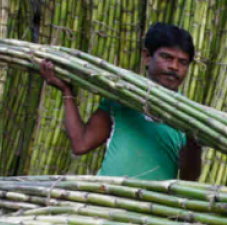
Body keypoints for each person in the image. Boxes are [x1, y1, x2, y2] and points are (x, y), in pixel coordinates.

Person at [39, 22, 202, 181]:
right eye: (167, 57)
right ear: (147, 56)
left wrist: (194, 139)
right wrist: (67, 91)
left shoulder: (188, 115)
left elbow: (189, 177)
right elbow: (81, 143)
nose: (174, 67)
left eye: (182, 62)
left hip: (152, 206)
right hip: (107, 200)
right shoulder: (121, 97)